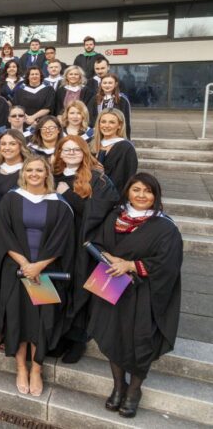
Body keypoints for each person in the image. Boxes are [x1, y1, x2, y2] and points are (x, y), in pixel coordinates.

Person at [88, 173, 182, 419]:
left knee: (141, 342)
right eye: (136, 190)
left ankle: (134, 391)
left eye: (148, 191)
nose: (141, 195)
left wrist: (130, 265)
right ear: (128, 191)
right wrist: (107, 257)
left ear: (155, 195)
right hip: (112, 288)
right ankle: (118, 386)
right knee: (112, 335)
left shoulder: (165, 226)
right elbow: (97, 243)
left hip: (144, 294)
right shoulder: (115, 217)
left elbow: (168, 263)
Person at [0, 155, 74, 397]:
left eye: (39, 170)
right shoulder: (11, 199)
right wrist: (25, 264)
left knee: (42, 320)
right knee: (17, 317)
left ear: (47, 174)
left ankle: (36, 369)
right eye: (30, 170)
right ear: (24, 173)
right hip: (17, 269)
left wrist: (38, 266)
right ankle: (21, 367)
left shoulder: (59, 204)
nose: (34, 174)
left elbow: (63, 238)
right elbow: (3, 232)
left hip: (46, 271)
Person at [52, 135, 119, 364]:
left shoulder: (97, 179)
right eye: (66, 149)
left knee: (80, 289)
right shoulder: (53, 176)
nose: (71, 153)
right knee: (59, 287)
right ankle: (59, 334)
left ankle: (78, 339)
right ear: (59, 153)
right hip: (59, 243)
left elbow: (99, 211)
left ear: (84, 152)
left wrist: (67, 194)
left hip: (83, 243)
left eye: (76, 150)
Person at [92, 109, 138, 194]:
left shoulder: (126, 148)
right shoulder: (92, 145)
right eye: (103, 122)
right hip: (91, 193)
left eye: (112, 122)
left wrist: (103, 174)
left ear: (119, 125)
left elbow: (127, 177)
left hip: (113, 195)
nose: (106, 125)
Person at [0, 129, 29, 196]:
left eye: (12, 144)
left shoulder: (29, 172)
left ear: (21, 146)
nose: (7, 148)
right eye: (3, 144)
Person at [87, 73, 132, 139]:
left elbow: (126, 121)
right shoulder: (94, 99)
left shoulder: (122, 100)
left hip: (116, 134)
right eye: (104, 83)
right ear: (101, 84)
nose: (107, 85)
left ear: (115, 84)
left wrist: (127, 138)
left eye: (110, 83)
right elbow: (89, 116)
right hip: (97, 134)